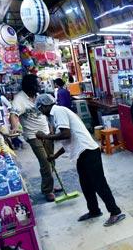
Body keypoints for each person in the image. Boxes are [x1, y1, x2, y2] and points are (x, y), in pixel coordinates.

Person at [35, 94, 126, 227]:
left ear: (44, 106)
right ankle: (94, 210)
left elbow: (66, 134)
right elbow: (67, 140)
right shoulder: (55, 116)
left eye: (41, 109)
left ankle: (115, 212)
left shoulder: (58, 111)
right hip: (81, 153)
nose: (41, 113)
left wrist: (46, 137)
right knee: (86, 185)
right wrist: (55, 156)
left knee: (99, 184)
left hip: (88, 151)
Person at [10, 74, 55, 201]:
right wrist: (15, 127)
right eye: (37, 84)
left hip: (46, 133)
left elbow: (46, 113)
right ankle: (48, 191)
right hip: (33, 136)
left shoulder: (38, 96)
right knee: (45, 162)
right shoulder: (19, 99)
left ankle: (49, 185)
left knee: (52, 160)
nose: (39, 86)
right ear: (30, 85)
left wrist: (51, 128)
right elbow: (14, 115)